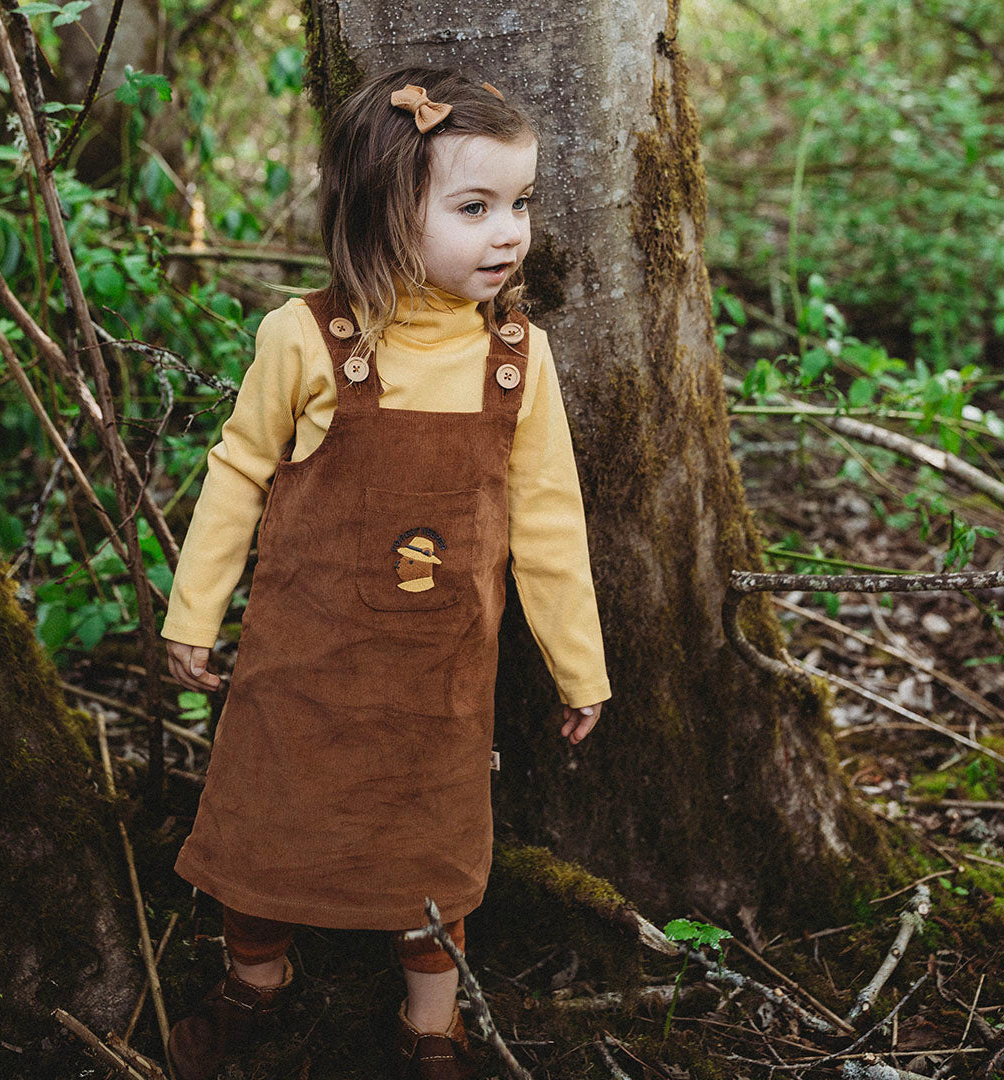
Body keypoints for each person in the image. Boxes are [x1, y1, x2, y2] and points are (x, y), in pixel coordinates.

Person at [161, 64, 611, 1080]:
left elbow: (547, 523)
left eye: (520, 204)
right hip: (302, 673)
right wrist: (195, 612)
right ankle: (254, 985)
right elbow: (236, 473)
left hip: (438, 692)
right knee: (265, 840)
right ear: (382, 213)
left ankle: (430, 1027)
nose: (509, 232)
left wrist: (579, 666)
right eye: (473, 206)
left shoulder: (517, 360)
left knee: (433, 865)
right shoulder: (306, 339)